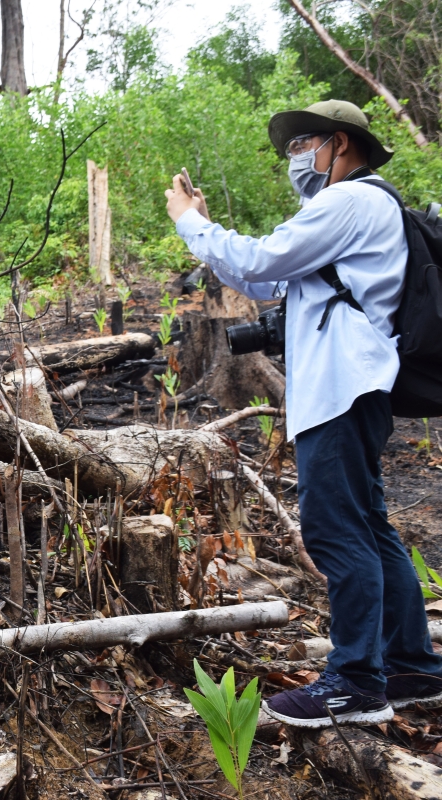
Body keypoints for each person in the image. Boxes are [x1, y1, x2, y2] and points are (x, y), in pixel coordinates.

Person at [164, 99, 442, 728]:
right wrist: (207, 229)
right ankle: (412, 666)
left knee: (336, 530)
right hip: (353, 387)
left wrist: (189, 222)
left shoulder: (350, 201)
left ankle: (355, 682)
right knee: (369, 526)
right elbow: (267, 282)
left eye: (301, 144)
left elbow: (260, 260)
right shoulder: (360, 209)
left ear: (339, 143)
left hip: (341, 389)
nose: (293, 158)